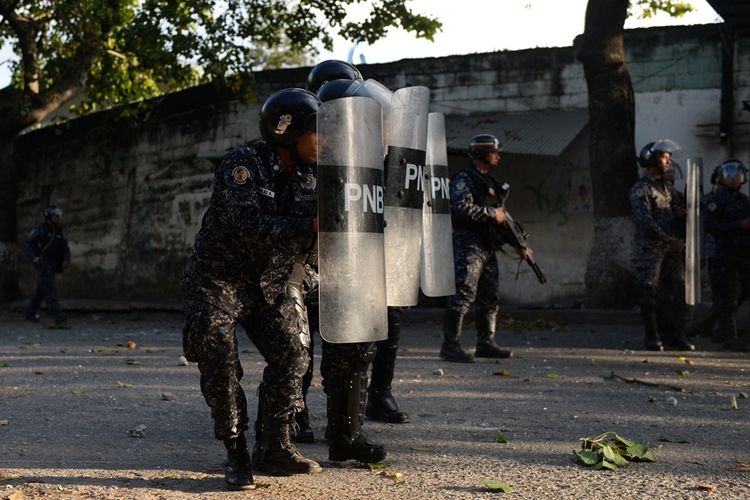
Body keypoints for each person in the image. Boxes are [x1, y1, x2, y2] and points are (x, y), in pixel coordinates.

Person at [181, 88, 323, 491]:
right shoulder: (242, 165)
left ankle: (275, 445)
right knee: (220, 361)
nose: (323, 142)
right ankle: (235, 451)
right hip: (218, 280)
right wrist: (309, 227)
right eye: (316, 133)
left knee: (294, 353)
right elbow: (251, 228)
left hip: (270, 282)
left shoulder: (313, 174)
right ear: (287, 132)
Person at [442, 134, 524, 363]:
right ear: (481, 154)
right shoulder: (464, 179)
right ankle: (450, 345)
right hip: (468, 244)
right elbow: (461, 208)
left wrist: (519, 244)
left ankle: (485, 343)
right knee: (463, 293)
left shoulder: (487, 181)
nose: (498, 156)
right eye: (493, 152)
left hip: (487, 246)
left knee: (489, 295)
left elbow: (502, 216)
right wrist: (490, 213)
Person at [629, 140, 694, 351]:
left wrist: (682, 212)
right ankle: (653, 336)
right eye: (665, 157)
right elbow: (644, 220)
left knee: (677, 287)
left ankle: (675, 335)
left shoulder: (668, 188)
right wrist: (668, 240)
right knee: (649, 292)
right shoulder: (641, 189)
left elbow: (681, 205)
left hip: (671, 249)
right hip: (650, 249)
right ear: (654, 160)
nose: (669, 161)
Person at [703, 159, 750, 351]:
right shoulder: (714, 200)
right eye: (729, 174)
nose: (734, 178)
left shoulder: (743, 200)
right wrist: (740, 225)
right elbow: (713, 227)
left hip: (743, 254)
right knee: (728, 296)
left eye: (737, 174)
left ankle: (720, 330)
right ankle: (730, 338)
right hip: (723, 255)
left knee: (743, 291)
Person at [24, 205, 70, 326]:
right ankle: (56, 314)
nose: (58, 218)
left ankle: (30, 312)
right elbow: (29, 242)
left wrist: (66, 259)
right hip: (43, 263)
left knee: (41, 290)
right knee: (50, 288)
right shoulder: (41, 229)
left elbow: (65, 247)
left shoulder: (58, 231)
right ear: (49, 216)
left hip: (54, 264)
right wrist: (33, 257)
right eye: (55, 215)